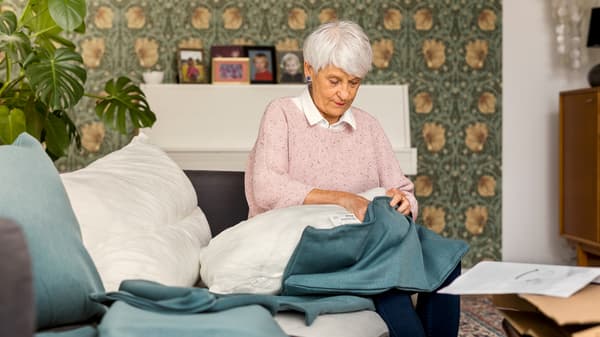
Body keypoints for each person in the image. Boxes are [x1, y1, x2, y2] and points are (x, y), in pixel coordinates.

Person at [245, 20, 460, 337]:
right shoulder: (282, 114)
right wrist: (343, 198)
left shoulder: (368, 126)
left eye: (354, 82)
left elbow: (401, 188)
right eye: (334, 81)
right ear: (309, 69)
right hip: (307, 243)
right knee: (389, 275)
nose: (344, 93)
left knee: (445, 260)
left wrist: (404, 201)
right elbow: (266, 187)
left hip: (365, 242)